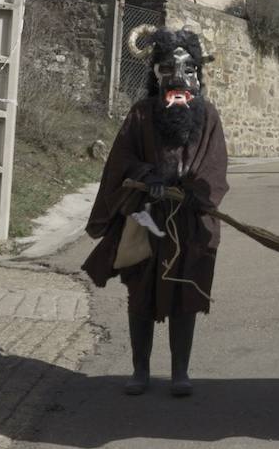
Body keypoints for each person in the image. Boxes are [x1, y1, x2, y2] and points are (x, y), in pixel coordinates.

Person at [82, 27, 228, 397]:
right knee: (141, 294)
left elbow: (215, 166)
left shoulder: (208, 116)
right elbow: (120, 160)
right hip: (145, 218)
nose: (178, 78)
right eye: (168, 69)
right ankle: (140, 370)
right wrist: (148, 176)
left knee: (186, 293)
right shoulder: (141, 115)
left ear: (198, 75)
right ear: (156, 74)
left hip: (191, 222)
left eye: (188, 69)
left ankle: (180, 372)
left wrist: (194, 193)